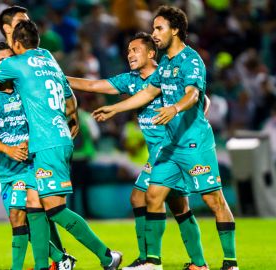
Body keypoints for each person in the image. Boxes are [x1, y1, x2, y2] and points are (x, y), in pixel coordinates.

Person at [93, 6, 238, 270]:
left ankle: (230, 262)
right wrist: (115, 107)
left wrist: (174, 108)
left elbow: (194, 94)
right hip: (170, 147)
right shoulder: (166, 65)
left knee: (213, 199)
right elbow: (147, 94)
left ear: (176, 30)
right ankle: (153, 262)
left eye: (159, 28)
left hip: (195, 143)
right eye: (153, 28)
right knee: (152, 195)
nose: (154, 33)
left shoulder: (191, 60)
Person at [0, 20, 122, 270]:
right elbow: (68, 97)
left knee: (54, 210)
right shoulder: (47, 57)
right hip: (52, 139)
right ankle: (44, 266)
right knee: (33, 205)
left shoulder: (16, 64)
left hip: (47, 142)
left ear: (17, 44)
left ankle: (107, 256)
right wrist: (72, 116)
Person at [67, 32, 209, 270]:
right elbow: (92, 85)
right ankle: (196, 263)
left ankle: (150, 260)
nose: (130, 54)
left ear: (151, 53)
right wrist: (55, 76)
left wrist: (193, 125)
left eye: (135, 50)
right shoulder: (130, 80)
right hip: (156, 151)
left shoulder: (167, 76)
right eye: (128, 50)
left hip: (172, 150)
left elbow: (201, 100)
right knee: (178, 206)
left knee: (143, 197)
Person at [0, 6, 77, 270]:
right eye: (23, 21)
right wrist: (7, 147)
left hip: (34, 148)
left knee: (36, 207)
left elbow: (53, 91)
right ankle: (60, 258)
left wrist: (68, 115)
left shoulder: (34, 55)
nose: (28, 24)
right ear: (8, 28)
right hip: (7, 159)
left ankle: (56, 260)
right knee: (23, 215)